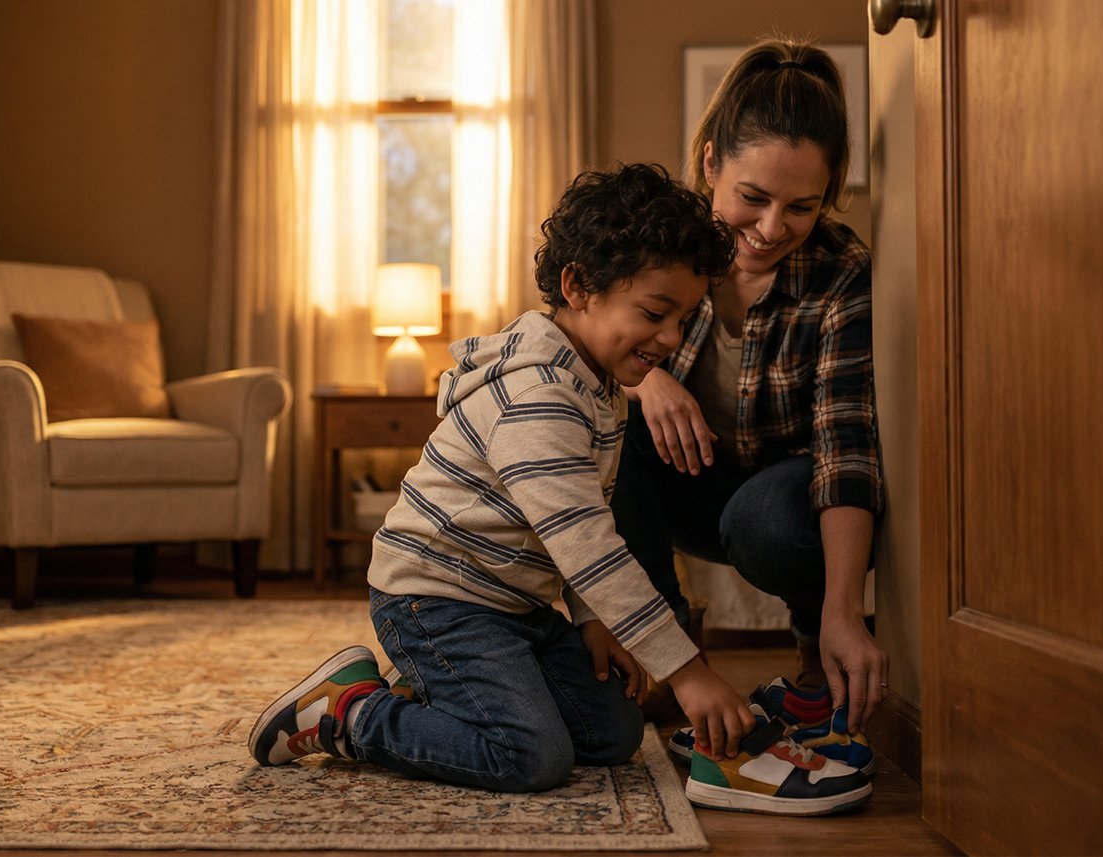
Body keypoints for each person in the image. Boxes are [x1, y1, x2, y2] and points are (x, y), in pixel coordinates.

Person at [248, 164, 870, 814]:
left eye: (685, 318)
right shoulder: (540, 397)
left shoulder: (594, 382)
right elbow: (587, 545)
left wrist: (593, 618)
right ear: (578, 286)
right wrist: (688, 673)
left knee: (612, 733)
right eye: (656, 313)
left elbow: (579, 517)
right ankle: (350, 712)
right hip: (435, 599)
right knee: (528, 755)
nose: (670, 338)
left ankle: (433, 692)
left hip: (511, 601)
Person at [610, 38, 889, 737]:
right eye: (753, 198)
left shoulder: (840, 271)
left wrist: (844, 611)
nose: (770, 229)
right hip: (682, 479)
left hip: (776, 500)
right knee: (607, 430)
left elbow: (846, 448)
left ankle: (812, 648)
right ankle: (669, 657)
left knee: (768, 516)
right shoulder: (655, 240)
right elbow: (570, 343)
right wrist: (645, 382)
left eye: (801, 207)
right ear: (711, 163)